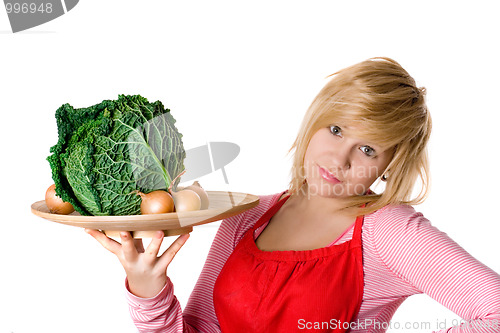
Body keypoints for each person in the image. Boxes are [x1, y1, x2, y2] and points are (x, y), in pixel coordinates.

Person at [86, 57, 500, 332]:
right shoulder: (249, 215)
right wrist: (148, 289)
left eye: (368, 149)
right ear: (316, 118)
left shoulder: (386, 230)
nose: (339, 159)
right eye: (336, 129)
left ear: (391, 162)